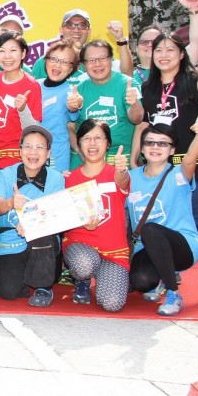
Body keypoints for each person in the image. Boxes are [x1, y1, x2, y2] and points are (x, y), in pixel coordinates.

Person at [137, 31, 198, 307]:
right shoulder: (148, 87)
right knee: (160, 224)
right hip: (160, 168)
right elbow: (143, 122)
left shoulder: (193, 81)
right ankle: (166, 275)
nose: (163, 55)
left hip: (192, 165)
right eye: (158, 50)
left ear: (181, 54)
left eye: (170, 50)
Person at [127, 122, 198, 316]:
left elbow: (191, 159)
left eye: (163, 143)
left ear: (172, 150)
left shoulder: (179, 174)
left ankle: (174, 293)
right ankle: (161, 279)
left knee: (150, 229)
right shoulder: (130, 177)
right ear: (142, 148)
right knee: (140, 281)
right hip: (146, 246)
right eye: (150, 142)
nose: (155, 147)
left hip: (183, 246)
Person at [0, 125, 65, 306]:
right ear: (20, 150)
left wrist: (32, 224)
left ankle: (43, 287)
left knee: (42, 235)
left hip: (43, 240)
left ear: (48, 153)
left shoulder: (57, 179)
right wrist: (10, 202)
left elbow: (56, 216)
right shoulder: (4, 175)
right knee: (9, 292)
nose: (33, 152)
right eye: (28, 146)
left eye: (40, 147)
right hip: (11, 239)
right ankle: (22, 276)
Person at [64, 119, 131, 312]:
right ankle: (83, 279)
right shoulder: (69, 179)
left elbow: (123, 181)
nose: (92, 143)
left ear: (108, 143)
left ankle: (102, 274)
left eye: (98, 138)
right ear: (79, 144)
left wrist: (122, 170)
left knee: (112, 304)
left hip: (113, 252)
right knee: (84, 266)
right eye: (86, 138)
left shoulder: (116, 173)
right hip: (80, 245)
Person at [70, 40, 144, 167]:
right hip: (85, 158)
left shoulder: (128, 84)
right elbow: (70, 127)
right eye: (91, 60)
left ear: (111, 60)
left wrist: (134, 104)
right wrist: (78, 149)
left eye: (103, 58)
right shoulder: (78, 89)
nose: (97, 64)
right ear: (83, 65)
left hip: (119, 157)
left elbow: (137, 119)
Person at [0, 32, 42, 168]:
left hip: (13, 161)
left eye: (13, 50)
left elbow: (33, 131)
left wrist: (23, 109)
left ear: (23, 54)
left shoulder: (31, 85)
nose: (7, 56)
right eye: (1, 51)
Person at [37, 41, 81, 173]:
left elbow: (73, 109)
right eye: (54, 59)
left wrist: (75, 105)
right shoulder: (34, 85)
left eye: (65, 62)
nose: (57, 65)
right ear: (46, 60)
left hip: (56, 156)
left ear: (72, 69)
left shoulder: (70, 92)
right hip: (31, 153)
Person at [31, 9, 93, 80]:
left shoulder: (96, 63)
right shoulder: (43, 63)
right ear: (61, 30)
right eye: (70, 25)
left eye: (82, 26)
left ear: (89, 31)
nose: (76, 30)